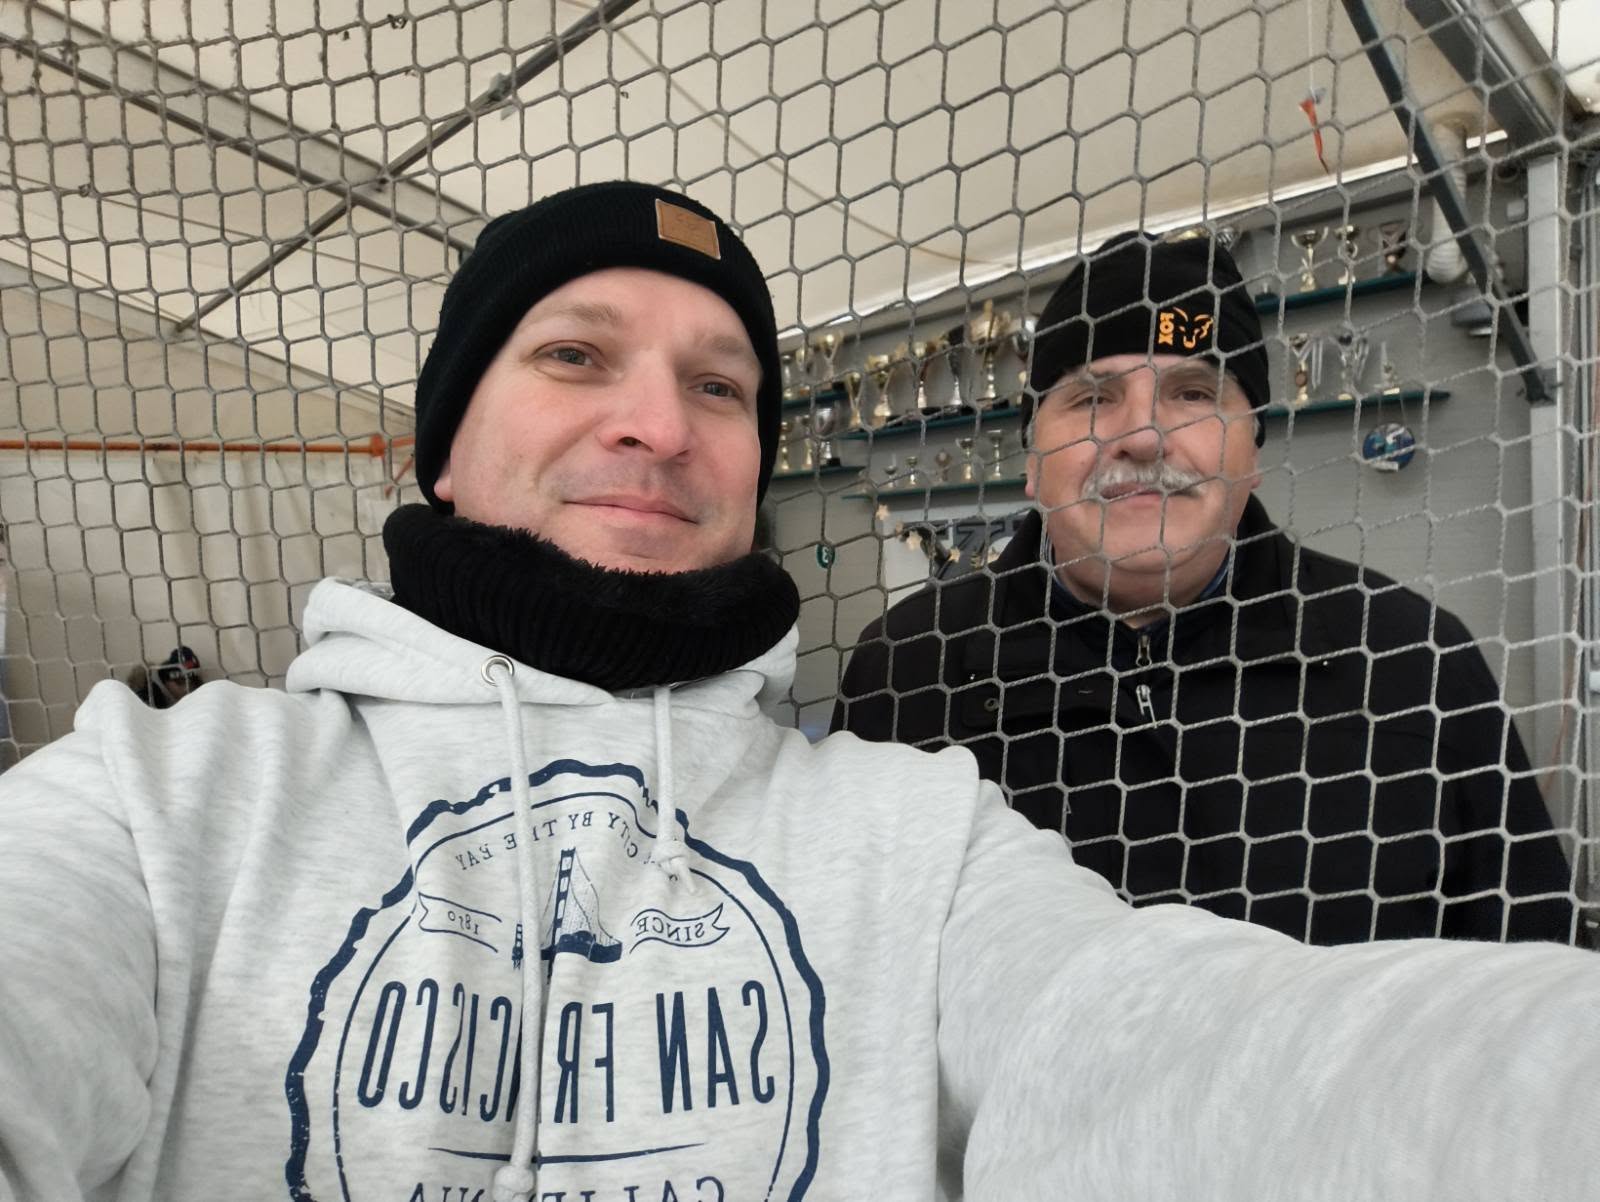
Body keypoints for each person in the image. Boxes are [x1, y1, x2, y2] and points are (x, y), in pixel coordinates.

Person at [1, 184, 1597, 1202]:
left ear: (1252, 432)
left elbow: (1126, 1026)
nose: (1141, 431)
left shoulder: (1398, 662)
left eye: (1193, 389)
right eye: (574, 355)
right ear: (1034, 441)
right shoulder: (162, 798)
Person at [833, 231, 1580, 947]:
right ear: (1032, 462)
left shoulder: (1413, 661)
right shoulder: (905, 667)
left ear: (1252, 451)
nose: (1143, 437)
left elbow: (1531, 982)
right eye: (1092, 398)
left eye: (1192, 393)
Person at [123, 645, 204, 709]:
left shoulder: (197, 690)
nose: (187, 687)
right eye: (180, 682)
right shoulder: (149, 698)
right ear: (166, 681)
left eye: (191, 681)